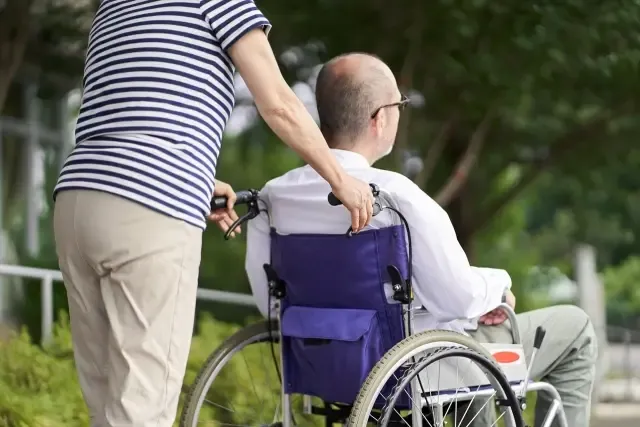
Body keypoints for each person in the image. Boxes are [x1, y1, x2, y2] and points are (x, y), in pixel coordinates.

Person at [52, 1, 376, 426]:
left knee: (107, 401)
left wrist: (197, 182)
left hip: (79, 199)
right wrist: (340, 178)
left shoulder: (115, 5)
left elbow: (132, 106)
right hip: (150, 208)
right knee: (142, 409)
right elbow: (278, 102)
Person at [244, 52, 598, 427]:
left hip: (324, 365)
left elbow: (269, 301)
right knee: (576, 328)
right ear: (380, 118)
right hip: (415, 366)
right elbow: (458, 297)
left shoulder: (275, 195)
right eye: (400, 104)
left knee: (459, 334)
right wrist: (498, 286)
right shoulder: (397, 195)